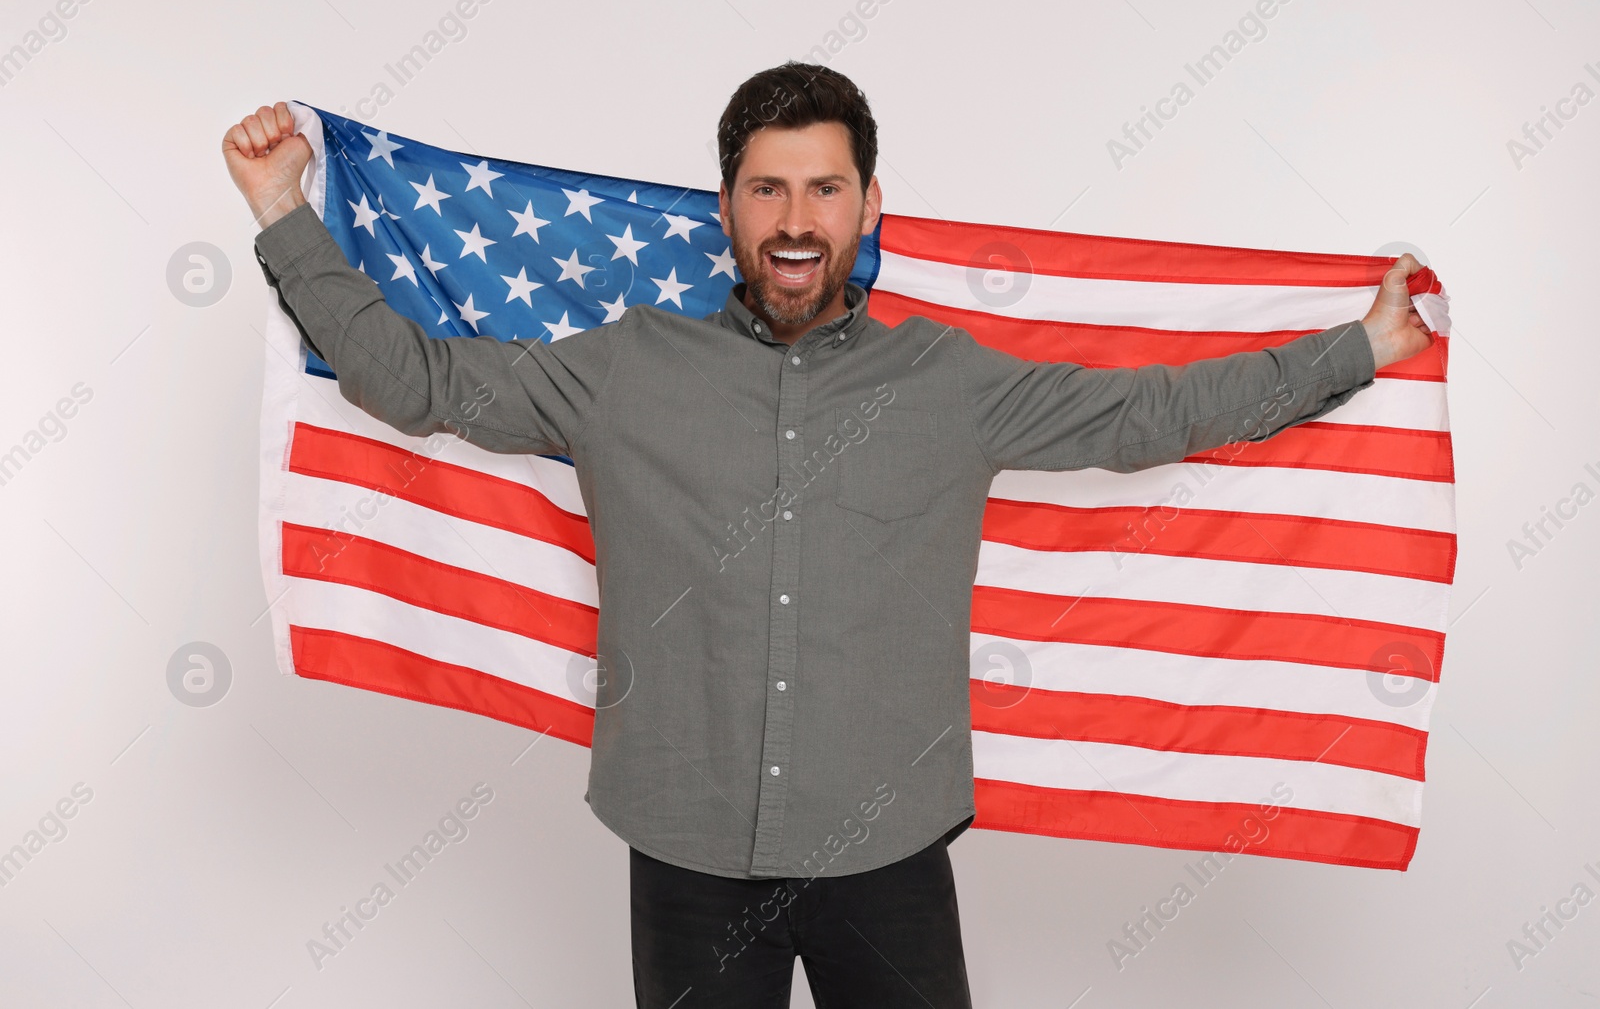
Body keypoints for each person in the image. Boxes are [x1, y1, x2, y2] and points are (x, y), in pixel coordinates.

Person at [224, 62, 1432, 1008]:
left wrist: (1359, 350)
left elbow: (1153, 410)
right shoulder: (623, 369)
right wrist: (285, 211)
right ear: (727, 206)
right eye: (767, 187)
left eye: (823, 187)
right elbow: (415, 378)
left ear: (867, 204)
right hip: (684, 853)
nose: (795, 218)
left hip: (887, 854)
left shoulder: (949, 378)